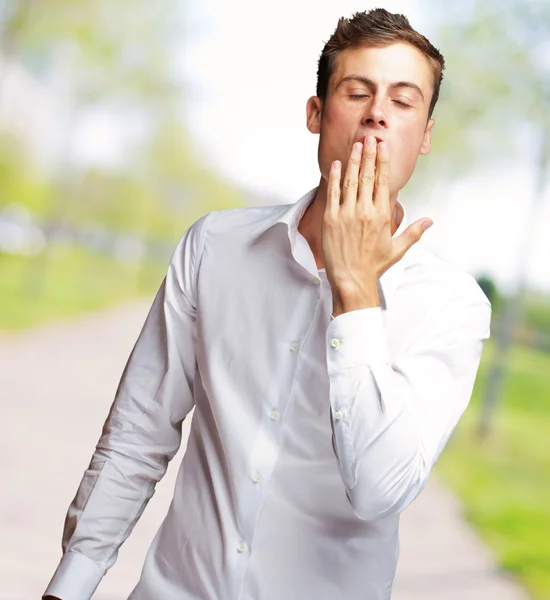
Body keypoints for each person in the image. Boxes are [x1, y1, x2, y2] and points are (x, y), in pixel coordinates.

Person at [44, 8, 491, 600]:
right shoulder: (215, 247)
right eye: (357, 92)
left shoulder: (452, 305)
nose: (378, 112)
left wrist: (355, 293)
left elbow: (381, 489)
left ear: (426, 134)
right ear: (316, 113)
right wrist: (69, 585)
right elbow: (138, 432)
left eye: (404, 101)